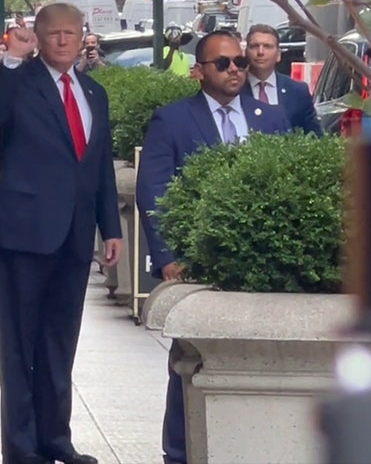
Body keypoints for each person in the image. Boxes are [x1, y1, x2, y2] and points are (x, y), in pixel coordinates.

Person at [0, 2, 122, 464]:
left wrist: (110, 227)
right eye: (53, 33)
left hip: (75, 236)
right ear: (38, 36)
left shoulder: (94, 93)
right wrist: (11, 59)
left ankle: (55, 439)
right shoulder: (21, 82)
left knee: (60, 343)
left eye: (71, 33)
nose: (62, 40)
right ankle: (21, 448)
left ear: (83, 38)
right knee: (18, 347)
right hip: (21, 235)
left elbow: (99, 166)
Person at [136, 30, 291, 464]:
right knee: (190, 357)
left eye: (240, 62)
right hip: (197, 263)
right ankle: (180, 451)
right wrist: (167, 257)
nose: (235, 70)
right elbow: (155, 190)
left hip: (260, 266)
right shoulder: (173, 120)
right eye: (223, 64)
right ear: (200, 71)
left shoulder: (271, 117)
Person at [242, 24, 322, 135]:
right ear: (246, 52)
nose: (260, 52)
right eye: (254, 46)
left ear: (278, 55)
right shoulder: (234, 90)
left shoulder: (298, 91)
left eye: (267, 46)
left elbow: (315, 136)